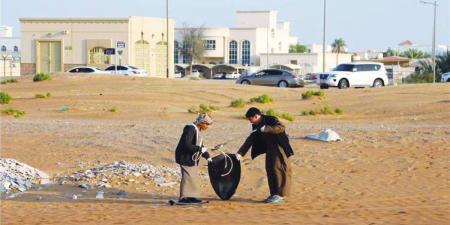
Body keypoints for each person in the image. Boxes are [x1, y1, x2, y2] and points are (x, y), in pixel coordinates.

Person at [235, 107, 294, 204]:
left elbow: (281, 127)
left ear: (256, 116)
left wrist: (267, 128)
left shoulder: (270, 119)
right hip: (270, 149)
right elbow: (250, 139)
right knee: (270, 169)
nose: (250, 122)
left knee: (279, 169)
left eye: (251, 119)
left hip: (279, 148)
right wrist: (240, 153)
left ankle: (281, 195)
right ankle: (274, 194)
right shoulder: (256, 125)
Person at [175, 113, 213, 203]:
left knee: (193, 177)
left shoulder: (197, 130)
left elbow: (200, 145)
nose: (207, 127)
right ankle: (184, 198)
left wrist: (207, 157)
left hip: (191, 158)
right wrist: (200, 149)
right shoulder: (190, 128)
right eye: (207, 124)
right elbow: (185, 144)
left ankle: (192, 197)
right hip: (185, 156)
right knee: (187, 177)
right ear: (202, 122)